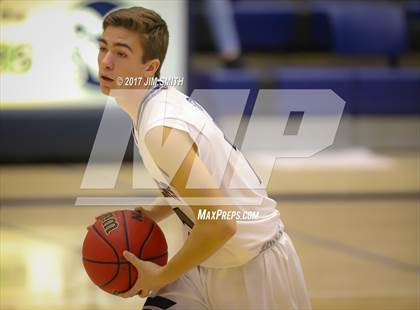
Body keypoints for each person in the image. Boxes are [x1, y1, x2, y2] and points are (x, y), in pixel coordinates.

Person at [98, 6, 311, 310]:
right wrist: (153, 213)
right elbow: (198, 183)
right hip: (209, 262)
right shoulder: (156, 101)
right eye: (103, 47)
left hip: (254, 269)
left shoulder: (160, 129)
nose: (105, 61)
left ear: (149, 67)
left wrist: (163, 275)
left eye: (121, 53)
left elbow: (221, 223)